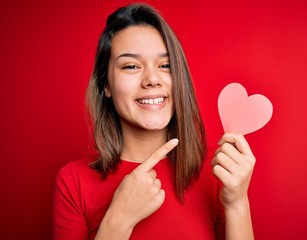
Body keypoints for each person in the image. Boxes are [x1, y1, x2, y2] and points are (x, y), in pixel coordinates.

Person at [52, 3, 255, 240]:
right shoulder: (73, 182)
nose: (152, 79)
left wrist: (238, 203)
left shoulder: (219, 171)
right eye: (131, 66)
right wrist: (119, 219)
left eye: (165, 65)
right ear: (105, 85)